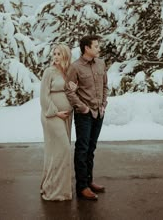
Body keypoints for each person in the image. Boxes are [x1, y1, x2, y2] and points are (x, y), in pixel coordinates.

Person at [65, 35, 108, 201]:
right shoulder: (75, 67)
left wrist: (104, 104)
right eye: (96, 46)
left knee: (91, 148)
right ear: (86, 48)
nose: (99, 49)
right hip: (84, 115)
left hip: (99, 112)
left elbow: (105, 85)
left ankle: (89, 182)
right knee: (82, 150)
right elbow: (69, 91)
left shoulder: (101, 63)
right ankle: (82, 187)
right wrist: (82, 107)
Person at [40, 44, 75, 201]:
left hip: (67, 115)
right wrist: (55, 112)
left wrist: (74, 89)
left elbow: (70, 92)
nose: (55, 56)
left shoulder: (69, 72)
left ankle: (59, 189)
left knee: (57, 152)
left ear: (65, 55)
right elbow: (43, 96)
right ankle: (53, 191)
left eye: (58, 53)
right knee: (64, 149)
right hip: (51, 115)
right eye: (54, 53)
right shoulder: (49, 72)